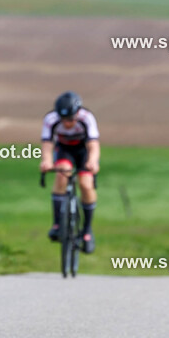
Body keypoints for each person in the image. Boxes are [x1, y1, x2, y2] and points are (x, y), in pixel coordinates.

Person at [39, 91, 100, 253]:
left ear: (77, 114)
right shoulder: (51, 119)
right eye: (64, 119)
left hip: (83, 151)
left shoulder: (87, 118)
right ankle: (58, 224)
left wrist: (93, 161)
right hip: (64, 150)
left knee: (85, 184)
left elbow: (93, 144)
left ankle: (87, 230)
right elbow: (47, 144)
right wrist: (46, 161)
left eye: (71, 119)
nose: (67, 123)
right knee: (62, 174)